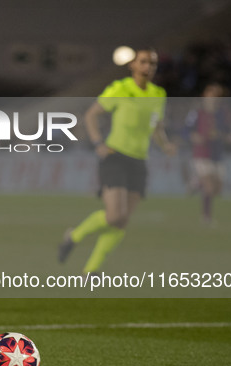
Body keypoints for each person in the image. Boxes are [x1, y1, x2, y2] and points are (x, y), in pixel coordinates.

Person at [58, 48, 176, 275]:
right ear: (132, 65)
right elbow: (91, 115)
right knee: (115, 215)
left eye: (152, 63)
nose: (148, 67)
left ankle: (91, 270)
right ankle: (73, 236)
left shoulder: (158, 94)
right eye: (143, 62)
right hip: (115, 157)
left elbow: (157, 127)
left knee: (122, 221)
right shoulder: (121, 88)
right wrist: (98, 143)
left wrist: (166, 145)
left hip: (139, 161)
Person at [182, 82, 231, 225]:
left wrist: (230, 136)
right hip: (202, 153)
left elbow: (229, 130)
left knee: (218, 189)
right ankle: (206, 217)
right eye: (211, 95)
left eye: (217, 96)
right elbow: (186, 131)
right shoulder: (197, 113)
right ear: (205, 96)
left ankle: (195, 183)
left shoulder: (223, 114)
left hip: (217, 154)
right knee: (209, 187)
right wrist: (194, 136)